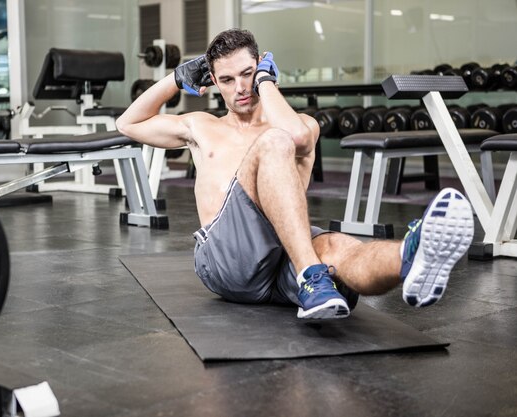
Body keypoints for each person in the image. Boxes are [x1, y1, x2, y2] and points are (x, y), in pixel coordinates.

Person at [116, 29, 474, 320]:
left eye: (248, 74)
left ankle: (410, 257)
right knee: (272, 143)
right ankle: (311, 276)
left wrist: (266, 83)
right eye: (227, 80)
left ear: (262, 69)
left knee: (339, 247)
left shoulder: (300, 124)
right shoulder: (201, 126)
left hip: (283, 253)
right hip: (226, 261)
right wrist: (176, 79)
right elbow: (128, 123)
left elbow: (298, 138)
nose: (241, 87)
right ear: (213, 82)